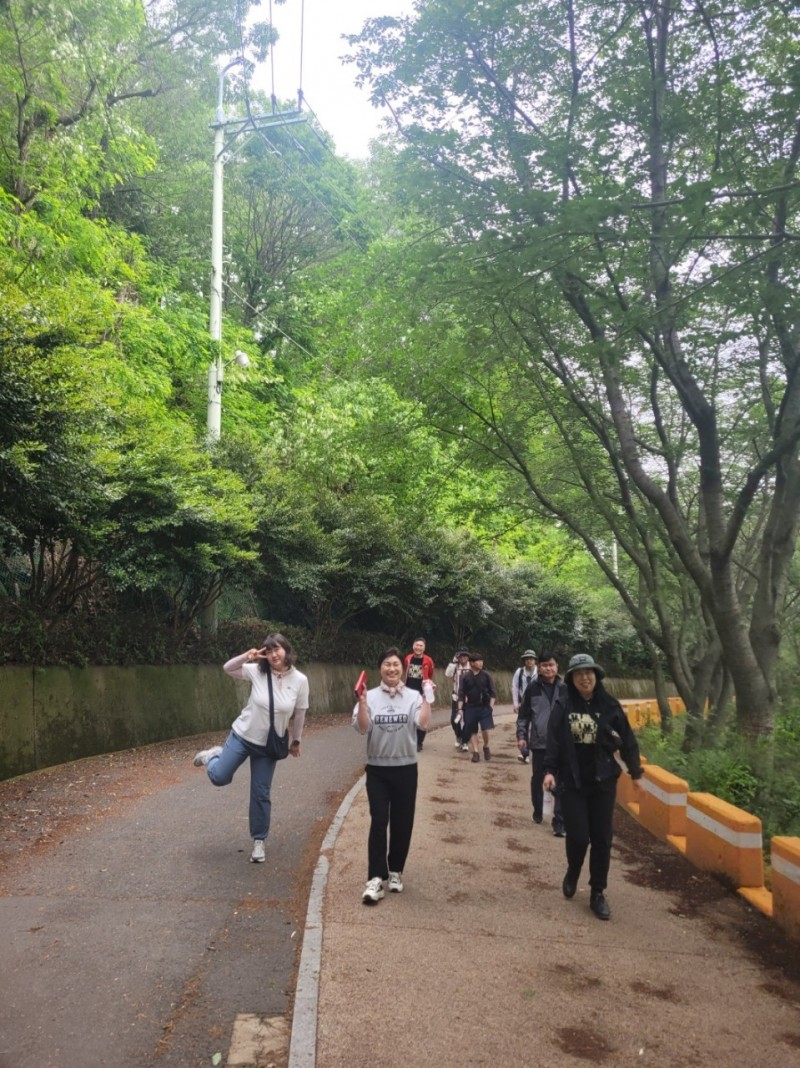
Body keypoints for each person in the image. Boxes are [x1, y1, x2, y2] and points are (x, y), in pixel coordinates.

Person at [543, 653, 644, 920]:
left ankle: (597, 892)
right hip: (572, 781)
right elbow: (554, 740)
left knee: (602, 838)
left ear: (596, 676)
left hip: (603, 781)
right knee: (578, 837)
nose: (584, 678)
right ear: (572, 679)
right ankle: (573, 870)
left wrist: (636, 772)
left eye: (588, 673)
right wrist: (550, 771)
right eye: (579, 674)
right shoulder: (564, 705)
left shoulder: (609, 705)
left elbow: (628, 740)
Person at [193, 633, 309, 864]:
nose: (273, 654)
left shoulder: (300, 680)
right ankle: (212, 757)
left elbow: (300, 712)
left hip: (268, 746)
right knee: (219, 777)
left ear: (286, 650)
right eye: (269, 650)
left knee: (260, 792)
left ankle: (259, 841)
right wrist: (248, 656)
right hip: (243, 736)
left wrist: (296, 741)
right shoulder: (257, 671)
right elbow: (228, 668)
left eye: (277, 649)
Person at [354, 646, 432, 904]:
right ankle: (376, 877)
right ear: (380, 668)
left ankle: (396, 870)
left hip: (406, 768)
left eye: (396, 664)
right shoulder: (370, 696)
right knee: (378, 820)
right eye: (387, 664)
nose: (391, 668)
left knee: (402, 821)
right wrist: (362, 705)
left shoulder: (413, 696)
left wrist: (427, 700)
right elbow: (362, 728)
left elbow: (423, 723)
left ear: (404, 668)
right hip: (377, 769)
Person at [515, 650, 566, 835]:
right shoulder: (532, 688)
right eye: (544, 665)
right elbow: (524, 716)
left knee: (562, 781)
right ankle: (538, 808)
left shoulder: (565, 688)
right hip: (540, 742)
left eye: (551, 665)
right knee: (538, 778)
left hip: (562, 744)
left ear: (557, 666)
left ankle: (559, 820)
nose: (548, 668)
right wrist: (521, 736)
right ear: (539, 667)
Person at [457, 652, 496, 762]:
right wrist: (460, 709)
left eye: (481, 661)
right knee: (472, 730)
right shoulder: (465, 677)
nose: (481, 663)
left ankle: (486, 746)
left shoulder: (486, 675)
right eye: (478, 661)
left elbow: (493, 692)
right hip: (470, 706)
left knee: (485, 729)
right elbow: (461, 693)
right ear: (472, 663)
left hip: (484, 706)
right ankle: (475, 752)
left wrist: (490, 707)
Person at [403, 638, 435, 752]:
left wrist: (427, 686)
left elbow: (430, 674)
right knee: (409, 718)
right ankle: (409, 741)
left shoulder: (428, 660)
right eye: (417, 645)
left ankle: (419, 742)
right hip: (408, 693)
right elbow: (404, 672)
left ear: (424, 648)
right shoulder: (408, 658)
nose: (418, 647)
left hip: (422, 694)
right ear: (413, 646)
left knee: (422, 718)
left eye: (421, 646)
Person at [512, 650, 538, 763]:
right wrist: (515, 703)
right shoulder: (520, 672)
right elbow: (515, 687)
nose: (529, 661)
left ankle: (535, 752)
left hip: (537, 704)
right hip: (523, 704)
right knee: (522, 728)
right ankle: (524, 752)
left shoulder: (539, 672)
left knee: (535, 728)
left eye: (531, 659)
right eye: (527, 659)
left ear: (535, 660)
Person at [445, 647, 471, 750]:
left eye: (465, 655)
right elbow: (447, 674)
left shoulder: (471, 667)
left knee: (468, 720)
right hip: (456, 696)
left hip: (469, 697)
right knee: (454, 719)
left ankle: (465, 741)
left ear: (468, 657)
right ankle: (459, 736)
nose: (463, 658)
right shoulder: (455, 667)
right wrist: (453, 662)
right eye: (460, 656)